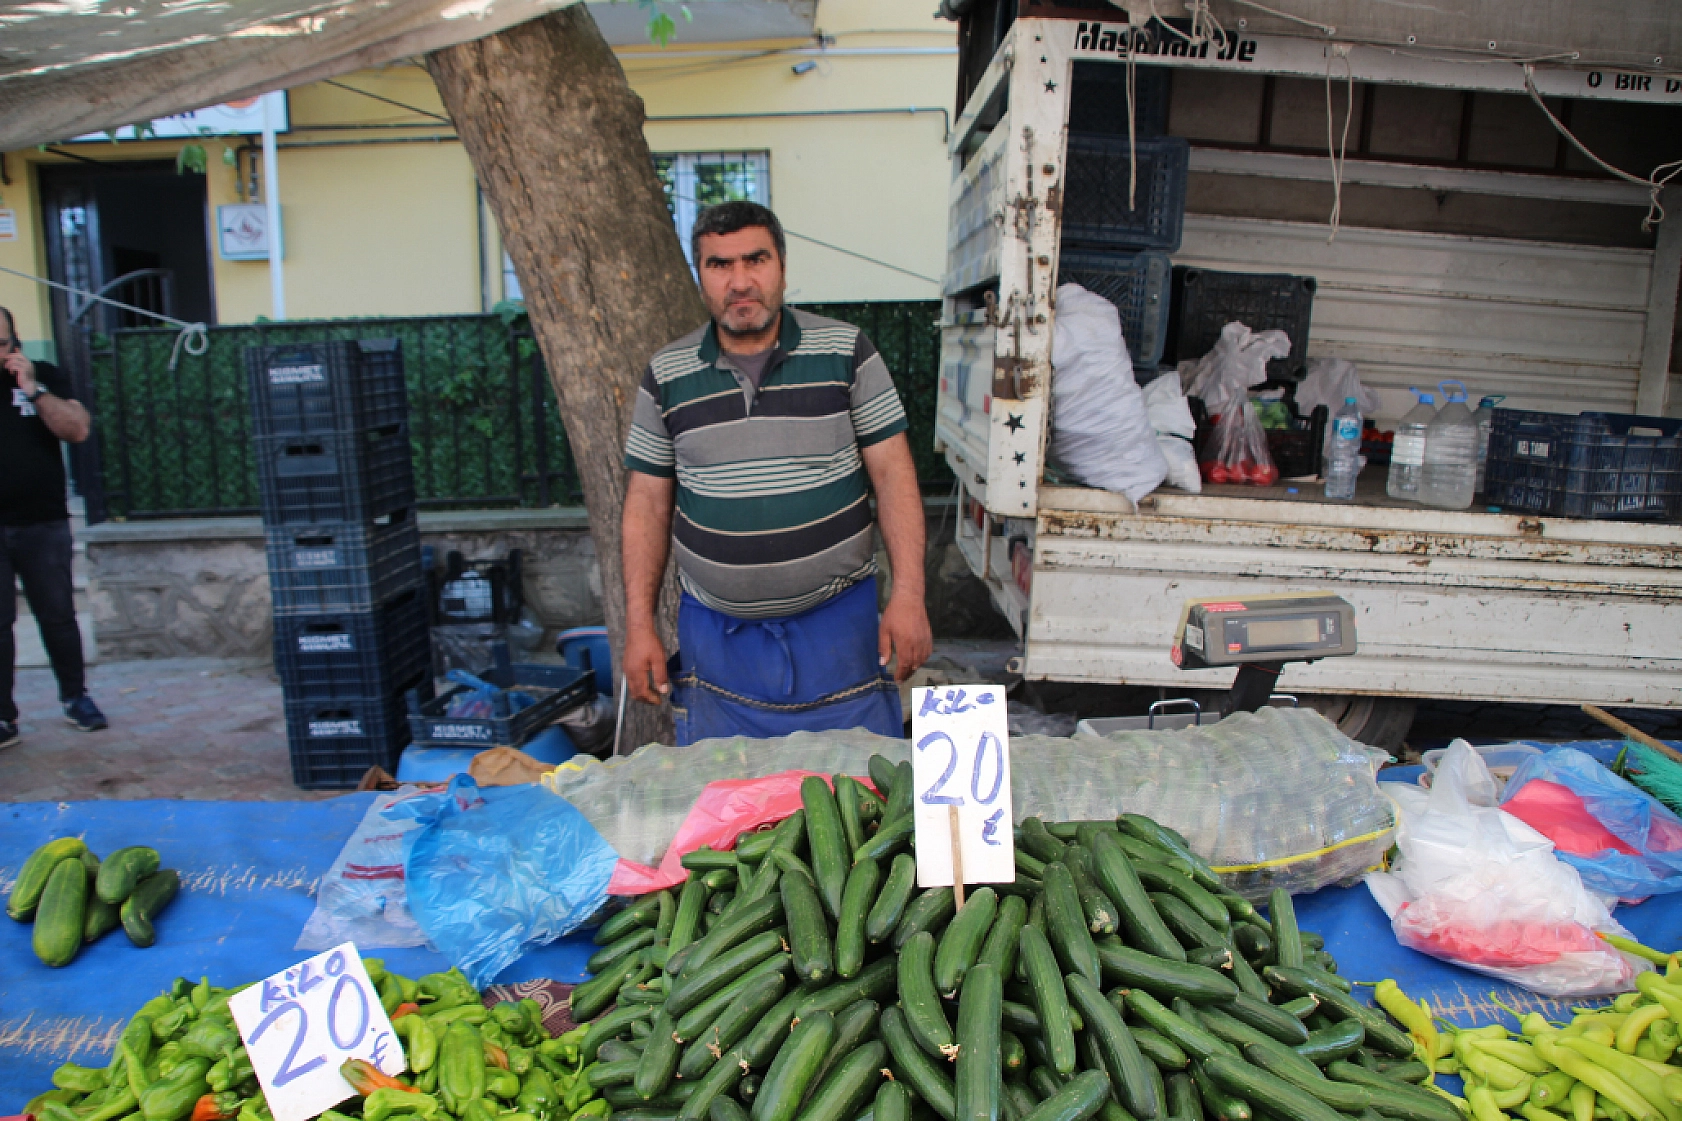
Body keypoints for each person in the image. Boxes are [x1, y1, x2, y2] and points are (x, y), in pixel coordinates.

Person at [620, 202, 932, 744]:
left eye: (755, 260)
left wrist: (909, 596)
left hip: (839, 631)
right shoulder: (666, 374)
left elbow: (895, 477)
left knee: (858, 801)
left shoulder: (846, 352)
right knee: (734, 810)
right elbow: (647, 503)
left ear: (782, 267)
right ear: (701, 277)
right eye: (720, 265)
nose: (740, 282)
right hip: (717, 643)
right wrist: (639, 625)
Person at [1, 305, 107, 748]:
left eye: (1, 344)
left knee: (58, 616)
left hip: (42, 520)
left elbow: (77, 430)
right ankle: (3, 718)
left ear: (15, 341)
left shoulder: (44, 376)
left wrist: (34, 390)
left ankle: (75, 697)